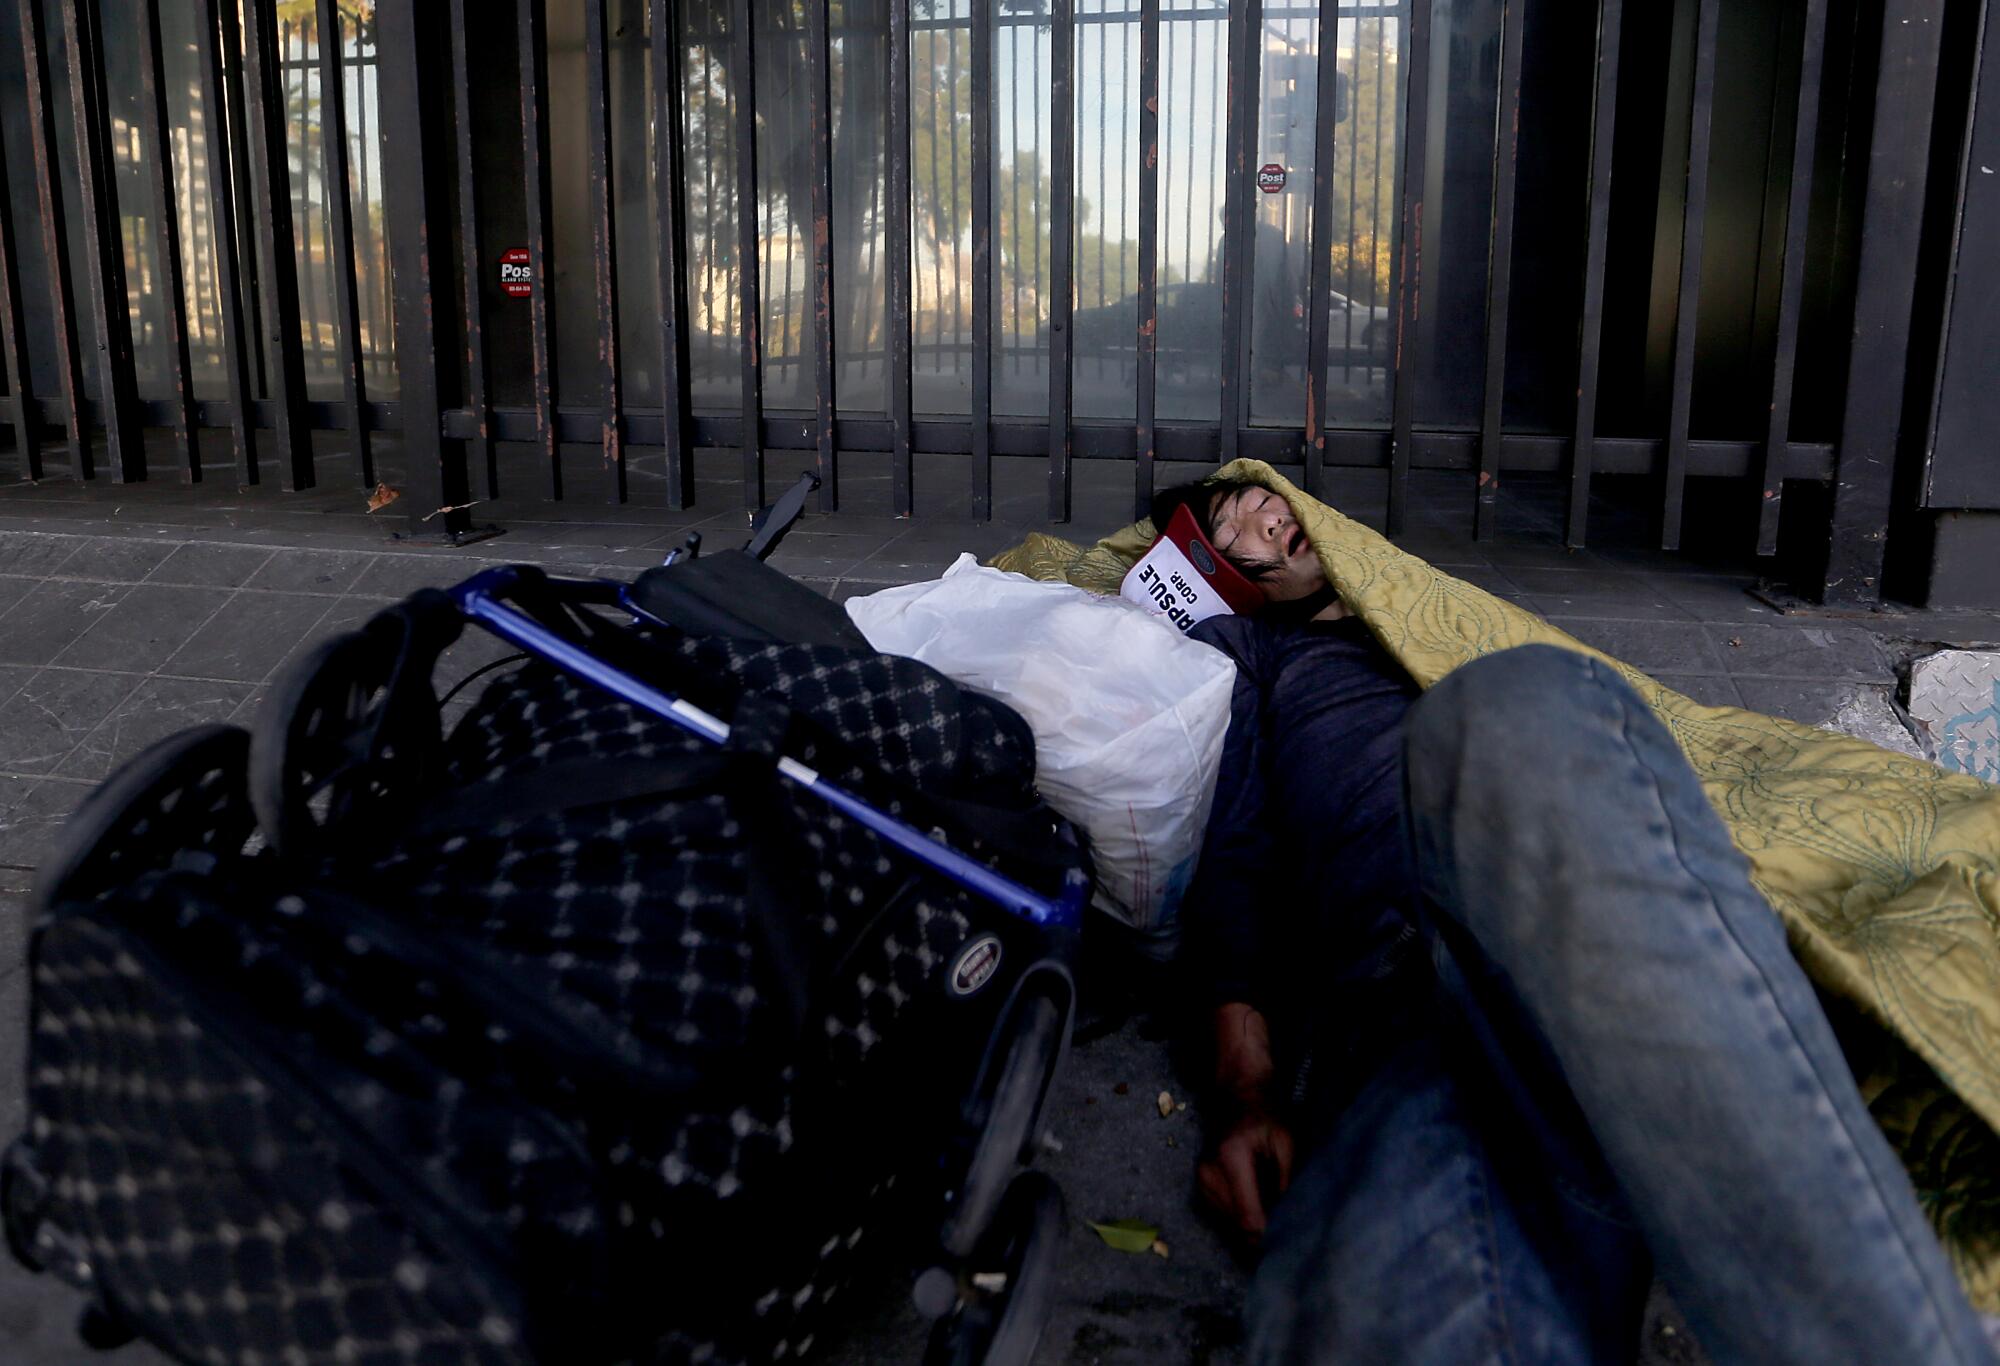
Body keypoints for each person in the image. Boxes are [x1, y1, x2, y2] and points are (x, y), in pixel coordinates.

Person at [1157, 477, 1999, 1365]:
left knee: (1521, 703)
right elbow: (1236, 863)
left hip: (1584, 918)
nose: (1266, 514)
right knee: (1415, 1212)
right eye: (1232, 526)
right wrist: (1244, 1096)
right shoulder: (1260, 655)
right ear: (1224, 575)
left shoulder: (1440, 610)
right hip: (1411, 964)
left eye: (1260, 495)